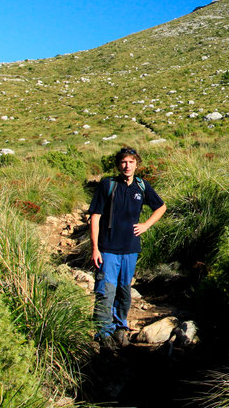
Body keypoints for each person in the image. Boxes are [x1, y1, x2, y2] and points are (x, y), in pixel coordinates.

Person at [88, 146, 166, 347]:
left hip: (131, 248)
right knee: (106, 290)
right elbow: (95, 217)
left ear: (136, 164)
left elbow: (161, 206)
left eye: (131, 162)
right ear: (118, 164)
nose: (127, 166)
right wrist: (95, 248)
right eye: (123, 162)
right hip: (108, 248)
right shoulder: (108, 185)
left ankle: (120, 327)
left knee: (124, 290)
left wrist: (146, 225)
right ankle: (103, 332)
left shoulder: (141, 186)